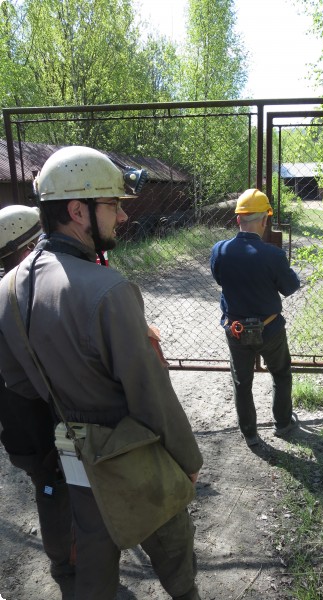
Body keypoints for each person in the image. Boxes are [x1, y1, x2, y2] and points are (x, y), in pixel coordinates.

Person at [0, 146, 203, 600]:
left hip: (72, 454)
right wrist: (188, 461)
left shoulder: (6, 291)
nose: (123, 219)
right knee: (173, 549)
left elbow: (16, 383)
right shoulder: (108, 290)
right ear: (77, 210)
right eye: (112, 205)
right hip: (134, 452)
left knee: (92, 561)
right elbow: (151, 395)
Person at [0, 204, 74, 578]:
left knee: (50, 484)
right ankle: (63, 560)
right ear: (26, 246)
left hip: (17, 424)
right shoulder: (18, 295)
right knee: (52, 488)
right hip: (35, 424)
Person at [210, 188, 301, 447]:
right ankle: (283, 423)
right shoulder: (273, 255)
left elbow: (219, 279)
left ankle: (250, 432)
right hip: (270, 330)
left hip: (236, 330)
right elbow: (290, 287)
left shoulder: (220, 250)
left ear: (238, 219)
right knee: (281, 374)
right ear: (264, 220)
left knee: (242, 381)